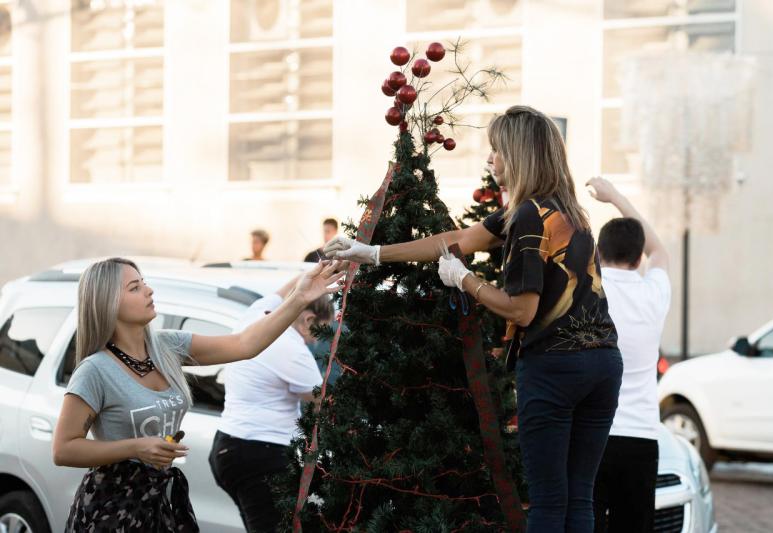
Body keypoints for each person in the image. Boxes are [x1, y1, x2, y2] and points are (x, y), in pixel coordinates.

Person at [324, 106, 622, 532]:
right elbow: (458, 239)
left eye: (496, 151)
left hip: (554, 367)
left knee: (548, 503)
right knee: (578, 499)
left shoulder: (527, 218)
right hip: (604, 364)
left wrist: (466, 281)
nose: (490, 161)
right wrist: (370, 252)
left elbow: (522, 310)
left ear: (517, 156)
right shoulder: (566, 212)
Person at [52, 257, 344, 532]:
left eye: (144, 282)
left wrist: (299, 299)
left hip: (162, 498)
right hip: (113, 505)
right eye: (135, 287)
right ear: (108, 303)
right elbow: (64, 448)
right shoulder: (95, 370)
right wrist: (135, 447)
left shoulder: (167, 346)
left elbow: (244, 344)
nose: (149, 290)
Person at [209, 273, 334, 532]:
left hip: (228, 446)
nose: (318, 340)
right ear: (308, 319)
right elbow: (325, 401)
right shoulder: (290, 347)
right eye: (320, 331)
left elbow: (286, 290)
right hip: (260, 453)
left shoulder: (256, 314)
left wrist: (318, 271)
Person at [586, 177, 671, 533]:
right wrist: (616, 197)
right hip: (640, 439)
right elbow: (660, 251)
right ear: (638, 259)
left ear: (598, 254)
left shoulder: (589, 291)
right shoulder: (653, 294)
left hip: (593, 434)